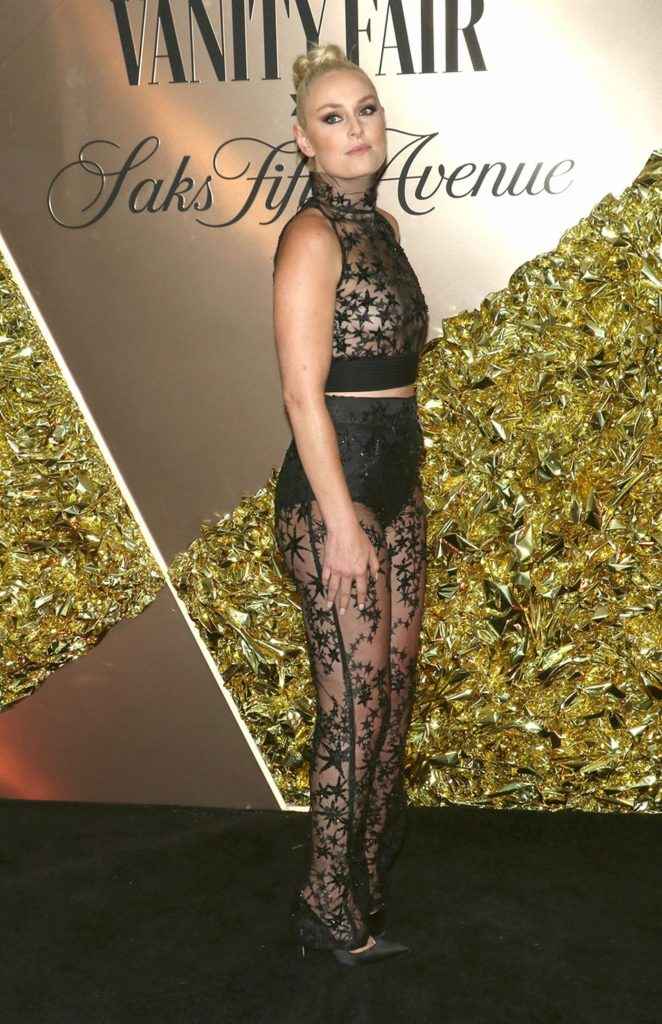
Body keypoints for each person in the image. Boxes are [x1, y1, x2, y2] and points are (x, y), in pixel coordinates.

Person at [272, 42, 429, 967]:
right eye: (332, 117)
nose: (356, 128)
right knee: (355, 715)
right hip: (335, 496)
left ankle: (362, 880)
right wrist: (339, 523)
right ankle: (324, 903)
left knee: (392, 704)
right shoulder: (311, 236)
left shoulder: (386, 228)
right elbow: (303, 395)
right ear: (304, 139)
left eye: (365, 109)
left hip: (397, 479)